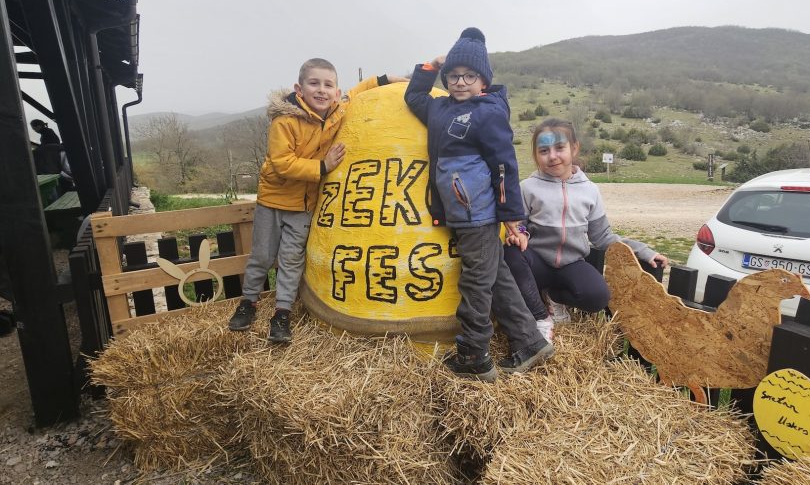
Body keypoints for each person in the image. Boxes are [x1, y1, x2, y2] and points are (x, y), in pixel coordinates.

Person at [404, 27, 554, 382]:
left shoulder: (488, 112)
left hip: (478, 212)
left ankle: (473, 353)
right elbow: (414, 96)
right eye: (453, 75)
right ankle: (530, 341)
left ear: (483, 80)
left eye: (469, 76)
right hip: (460, 211)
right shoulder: (440, 110)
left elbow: (505, 166)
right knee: (495, 275)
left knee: (475, 282)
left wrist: (511, 216)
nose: (460, 82)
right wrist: (432, 65)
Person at [228, 58, 405, 342]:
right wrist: (323, 167)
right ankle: (248, 302)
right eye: (314, 84)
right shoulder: (285, 121)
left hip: (304, 205)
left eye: (328, 85)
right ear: (299, 89)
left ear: (336, 92)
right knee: (262, 255)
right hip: (274, 200)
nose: (321, 90)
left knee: (291, 259)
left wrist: (390, 78)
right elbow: (282, 163)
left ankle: (282, 312)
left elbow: (359, 89)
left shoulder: (337, 110)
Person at [504, 118, 669, 342]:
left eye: (559, 148)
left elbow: (603, 237)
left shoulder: (590, 191)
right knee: (511, 254)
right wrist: (520, 234)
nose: (552, 156)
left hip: (571, 265)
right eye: (544, 150)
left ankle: (553, 296)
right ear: (536, 155)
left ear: (574, 148)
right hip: (537, 264)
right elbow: (520, 223)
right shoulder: (527, 187)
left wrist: (644, 252)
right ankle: (541, 318)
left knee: (598, 297)